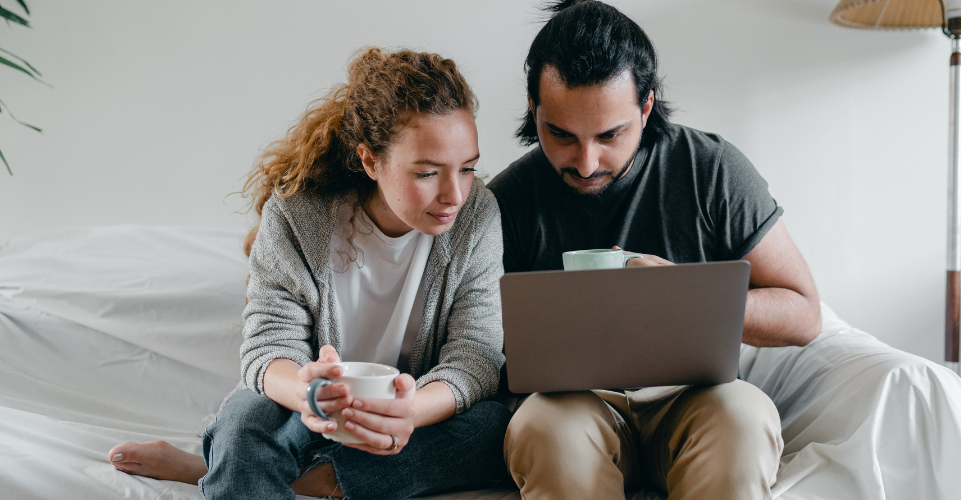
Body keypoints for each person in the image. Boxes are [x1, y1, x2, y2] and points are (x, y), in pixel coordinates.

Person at [107, 47, 511, 500]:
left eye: (469, 168)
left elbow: (475, 355)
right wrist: (310, 393)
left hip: (413, 418)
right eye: (427, 173)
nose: (454, 194)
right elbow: (268, 347)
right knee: (244, 423)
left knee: (496, 428)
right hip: (307, 408)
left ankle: (236, 474)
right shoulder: (297, 216)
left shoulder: (479, 217)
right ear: (371, 161)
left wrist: (409, 409)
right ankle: (241, 466)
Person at [487, 2, 822, 499]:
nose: (585, 162)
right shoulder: (507, 200)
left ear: (645, 107)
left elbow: (804, 314)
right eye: (560, 135)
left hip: (693, 396)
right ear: (534, 108)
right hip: (572, 403)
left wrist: (683, 298)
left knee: (744, 418)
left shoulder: (711, 170)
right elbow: (477, 339)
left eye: (609, 135)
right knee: (544, 428)